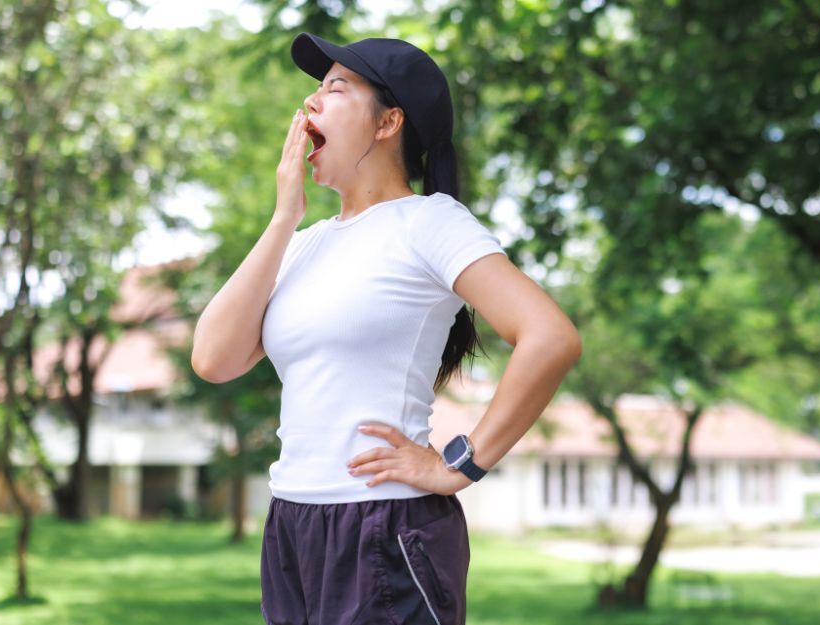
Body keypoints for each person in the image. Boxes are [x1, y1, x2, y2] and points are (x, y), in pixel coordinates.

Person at [190, 32, 582, 625]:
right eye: (315, 90)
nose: (311, 104)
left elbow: (550, 336)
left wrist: (459, 465)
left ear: (388, 122)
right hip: (294, 520)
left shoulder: (428, 223)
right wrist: (282, 217)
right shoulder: (303, 244)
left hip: (385, 525)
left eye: (337, 88)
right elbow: (214, 359)